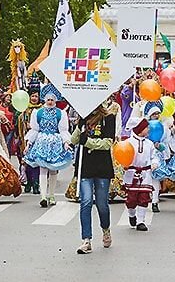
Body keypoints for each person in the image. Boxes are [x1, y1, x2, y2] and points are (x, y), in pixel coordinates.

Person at [73, 102, 116, 254]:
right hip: (85, 166)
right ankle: (86, 239)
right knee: (85, 201)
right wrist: (80, 126)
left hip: (102, 166)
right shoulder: (83, 119)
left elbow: (107, 143)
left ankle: (106, 229)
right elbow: (74, 140)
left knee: (102, 203)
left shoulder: (109, 117)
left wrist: (89, 142)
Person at [23, 83, 74, 208]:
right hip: (42, 143)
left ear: (55, 100)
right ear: (44, 99)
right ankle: (43, 196)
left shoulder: (60, 113)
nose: (50, 102)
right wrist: (29, 143)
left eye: (52, 99)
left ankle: (51, 195)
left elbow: (63, 130)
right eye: (48, 99)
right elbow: (35, 130)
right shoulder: (38, 113)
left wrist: (66, 142)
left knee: (53, 170)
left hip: (55, 144)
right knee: (42, 169)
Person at [122, 117, 158, 232]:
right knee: (131, 200)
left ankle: (141, 221)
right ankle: (132, 214)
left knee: (144, 197)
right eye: (146, 127)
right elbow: (123, 156)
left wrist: (154, 163)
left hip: (145, 174)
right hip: (132, 174)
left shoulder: (149, 144)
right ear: (139, 129)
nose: (148, 129)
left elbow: (154, 156)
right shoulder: (128, 143)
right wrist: (124, 164)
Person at [16, 85, 43, 194]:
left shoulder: (42, 110)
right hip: (25, 139)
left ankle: (36, 183)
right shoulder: (24, 110)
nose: (34, 98)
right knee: (26, 161)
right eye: (32, 96)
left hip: (38, 139)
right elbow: (17, 123)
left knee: (36, 162)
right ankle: (28, 183)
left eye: (36, 96)